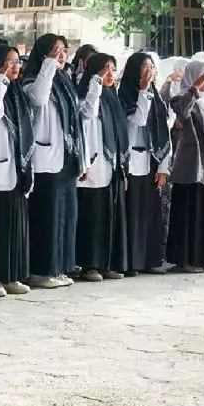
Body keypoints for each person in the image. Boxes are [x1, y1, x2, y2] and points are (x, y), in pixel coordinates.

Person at [22, 33, 86, 288]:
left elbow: (77, 118)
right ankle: (41, 270)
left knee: (66, 216)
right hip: (46, 159)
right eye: (56, 50)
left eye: (64, 50)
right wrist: (49, 64)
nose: (61, 55)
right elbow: (38, 97)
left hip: (67, 157)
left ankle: (60, 267)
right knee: (47, 216)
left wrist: (82, 159)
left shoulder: (64, 80)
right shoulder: (33, 78)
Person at [0, 43, 35, 295]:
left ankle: (12, 275)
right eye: (9, 62)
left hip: (17, 168)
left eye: (17, 63)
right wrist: (0, 79)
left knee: (15, 227)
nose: (14, 67)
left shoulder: (19, 93)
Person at [74, 52, 129, 281]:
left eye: (113, 69)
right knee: (93, 217)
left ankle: (107, 262)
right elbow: (88, 117)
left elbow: (119, 134)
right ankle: (90, 265)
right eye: (105, 69)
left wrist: (123, 168)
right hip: (94, 165)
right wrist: (96, 84)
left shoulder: (113, 98)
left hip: (112, 165)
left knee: (109, 216)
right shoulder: (86, 94)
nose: (110, 74)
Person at [166, 60, 204, 273]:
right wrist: (194, 89)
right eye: (202, 76)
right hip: (192, 164)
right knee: (190, 211)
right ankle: (186, 259)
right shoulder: (182, 97)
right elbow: (182, 112)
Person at [118, 50, 171, 276]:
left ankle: (150, 260)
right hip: (131, 162)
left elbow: (163, 132)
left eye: (152, 67)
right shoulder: (126, 94)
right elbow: (136, 121)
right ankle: (131, 262)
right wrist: (142, 91)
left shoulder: (155, 96)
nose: (149, 71)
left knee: (149, 214)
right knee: (132, 213)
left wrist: (163, 167)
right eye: (144, 67)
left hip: (150, 162)